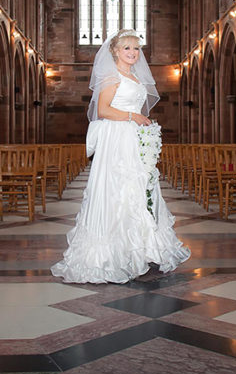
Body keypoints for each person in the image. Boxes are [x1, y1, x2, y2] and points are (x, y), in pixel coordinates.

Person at [51, 30, 190, 283]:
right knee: (117, 190)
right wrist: (132, 117)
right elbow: (102, 110)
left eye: (136, 49)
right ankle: (110, 254)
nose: (133, 53)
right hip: (117, 139)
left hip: (134, 137)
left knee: (139, 189)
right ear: (115, 51)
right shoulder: (111, 76)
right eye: (127, 48)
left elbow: (136, 107)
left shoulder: (134, 76)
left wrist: (142, 125)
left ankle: (141, 248)